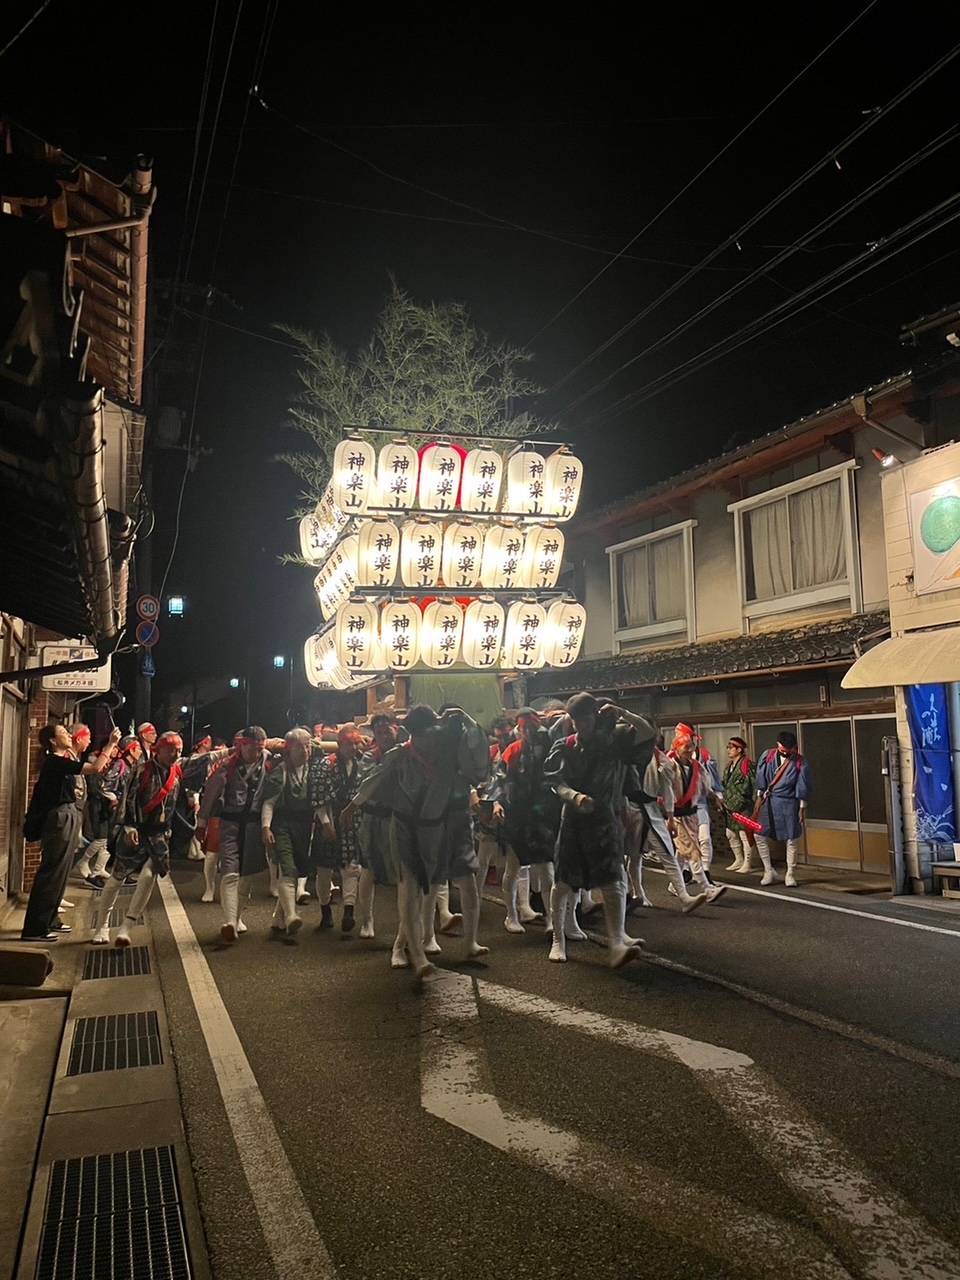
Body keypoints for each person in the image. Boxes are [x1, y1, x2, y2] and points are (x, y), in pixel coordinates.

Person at [343, 705, 490, 979]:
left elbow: (478, 762)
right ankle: (414, 954)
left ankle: (467, 942)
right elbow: (373, 780)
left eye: (435, 733)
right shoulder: (400, 755)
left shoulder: (446, 752)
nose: (431, 739)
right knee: (409, 890)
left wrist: (467, 717)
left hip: (441, 826)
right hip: (405, 828)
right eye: (426, 734)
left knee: (461, 883)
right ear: (414, 735)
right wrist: (352, 806)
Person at [543, 694, 654, 968]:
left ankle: (616, 940)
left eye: (585, 718)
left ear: (596, 716)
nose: (581, 724)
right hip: (573, 820)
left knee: (613, 878)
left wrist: (623, 712)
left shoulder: (614, 741)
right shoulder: (565, 745)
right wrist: (573, 796)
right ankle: (558, 938)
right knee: (564, 879)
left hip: (605, 819)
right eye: (576, 719)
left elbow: (648, 733)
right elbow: (554, 780)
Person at [20, 723, 121, 942]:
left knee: (62, 870)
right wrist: (111, 744)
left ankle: (50, 919)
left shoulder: (62, 760)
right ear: (53, 741)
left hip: (67, 815)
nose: (68, 735)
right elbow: (95, 768)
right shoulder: (55, 762)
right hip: (59, 816)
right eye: (64, 733)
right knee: (52, 870)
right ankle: (35, 928)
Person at [91, 731, 186, 947]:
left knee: (148, 875)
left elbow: (205, 760)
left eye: (179, 750)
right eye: (171, 749)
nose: (175, 754)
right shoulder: (141, 770)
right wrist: (127, 825)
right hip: (136, 829)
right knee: (117, 877)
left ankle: (127, 925)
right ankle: (102, 925)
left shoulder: (178, 770)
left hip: (161, 833)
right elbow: (127, 797)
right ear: (158, 749)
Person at [199, 725, 271, 943]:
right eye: (253, 748)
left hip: (253, 825)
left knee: (247, 876)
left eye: (260, 748)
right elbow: (210, 795)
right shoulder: (226, 766)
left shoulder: (269, 761)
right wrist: (201, 823)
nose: (256, 753)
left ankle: (237, 918)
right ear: (243, 745)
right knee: (230, 872)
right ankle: (229, 921)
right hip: (229, 823)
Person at [492, 708, 560, 933]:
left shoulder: (549, 747)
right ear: (519, 729)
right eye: (524, 728)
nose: (528, 731)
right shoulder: (513, 750)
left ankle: (552, 918)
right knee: (513, 868)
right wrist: (496, 802)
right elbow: (499, 779)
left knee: (547, 870)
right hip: (516, 816)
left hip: (541, 818)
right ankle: (511, 915)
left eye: (531, 727)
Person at [260, 729, 316, 939]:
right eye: (299, 746)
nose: (305, 750)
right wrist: (266, 827)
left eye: (308, 746)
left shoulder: (314, 770)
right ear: (289, 749)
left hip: (304, 825)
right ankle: (292, 915)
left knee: (299, 869)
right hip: (282, 824)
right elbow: (269, 803)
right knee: (287, 868)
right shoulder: (280, 772)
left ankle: (278, 918)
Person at [309, 725, 365, 932]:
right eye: (349, 743)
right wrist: (325, 823)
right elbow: (318, 796)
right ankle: (325, 912)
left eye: (356, 743)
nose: (353, 747)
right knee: (324, 869)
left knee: (351, 867)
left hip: (351, 821)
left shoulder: (360, 764)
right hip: (330, 819)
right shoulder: (325, 765)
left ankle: (349, 910)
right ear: (340, 744)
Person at [354, 713, 400, 938]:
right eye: (379, 732)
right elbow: (366, 784)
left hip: (397, 818)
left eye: (387, 730)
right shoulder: (369, 757)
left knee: (402, 871)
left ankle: (405, 925)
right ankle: (367, 920)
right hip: (371, 818)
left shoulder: (407, 754)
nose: (384, 735)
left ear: (396, 729)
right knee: (368, 869)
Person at [754, 731, 813, 887]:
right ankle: (768, 870)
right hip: (769, 800)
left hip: (789, 802)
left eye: (789, 750)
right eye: (783, 750)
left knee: (792, 837)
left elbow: (803, 785)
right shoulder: (767, 756)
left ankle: (790, 873)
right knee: (759, 834)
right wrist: (759, 799)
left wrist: (802, 807)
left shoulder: (800, 762)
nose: (786, 753)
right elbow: (761, 778)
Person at [721, 737, 757, 872]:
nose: (728, 750)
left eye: (731, 748)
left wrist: (754, 804)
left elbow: (754, 786)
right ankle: (738, 859)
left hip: (744, 806)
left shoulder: (748, 765)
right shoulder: (728, 766)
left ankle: (748, 862)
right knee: (730, 833)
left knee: (744, 834)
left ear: (739, 749)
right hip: (729, 806)